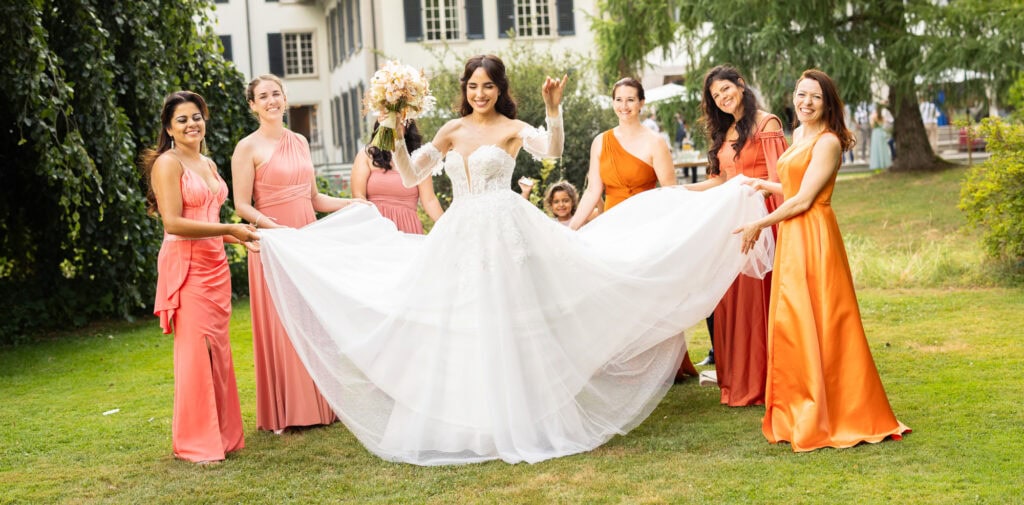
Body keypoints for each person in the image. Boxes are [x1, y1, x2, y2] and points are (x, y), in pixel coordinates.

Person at [254, 54, 774, 465]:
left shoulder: (509, 126)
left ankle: (524, 416)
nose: (480, 93)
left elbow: (549, 149)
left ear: (500, 89)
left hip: (505, 231)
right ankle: (463, 421)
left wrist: (553, 109)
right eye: (473, 86)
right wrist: (393, 125)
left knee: (510, 320)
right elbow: (413, 176)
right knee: (459, 323)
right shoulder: (451, 131)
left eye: (488, 85)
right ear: (465, 90)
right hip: (460, 233)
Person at [734, 69, 910, 452]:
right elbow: (795, 187)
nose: (806, 102)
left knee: (825, 320)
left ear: (827, 102)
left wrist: (759, 223)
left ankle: (839, 410)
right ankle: (800, 406)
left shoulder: (829, 141)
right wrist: (767, 186)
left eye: (815, 96)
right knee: (795, 321)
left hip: (814, 235)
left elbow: (804, 200)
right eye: (801, 95)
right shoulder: (798, 134)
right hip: (794, 236)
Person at [232, 74, 362, 433]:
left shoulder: (301, 141)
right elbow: (242, 204)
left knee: (311, 319)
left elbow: (314, 199)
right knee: (282, 323)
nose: (272, 100)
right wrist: (275, 230)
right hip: (273, 243)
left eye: (277, 93)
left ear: (285, 99)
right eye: (263, 96)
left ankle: (322, 405)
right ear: (253, 105)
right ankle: (289, 410)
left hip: (305, 238)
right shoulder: (247, 148)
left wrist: (353, 203)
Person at [143, 91, 258, 463]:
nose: (192, 124)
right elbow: (173, 223)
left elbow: (208, 220)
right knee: (196, 351)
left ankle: (222, 436)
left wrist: (242, 236)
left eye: (197, 117)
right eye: (182, 119)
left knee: (218, 352)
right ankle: (196, 441)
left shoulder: (207, 162)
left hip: (216, 265)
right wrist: (230, 228)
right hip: (187, 266)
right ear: (168, 128)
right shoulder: (168, 163)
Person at [568, 77, 699, 379]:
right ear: (612, 102)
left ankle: (666, 363)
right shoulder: (601, 141)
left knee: (650, 292)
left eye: (630, 100)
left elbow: (669, 191)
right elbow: (592, 191)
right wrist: (573, 227)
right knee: (614, 290)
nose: (624, 106)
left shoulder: (655, 142)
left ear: (641, 103)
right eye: (619, 99)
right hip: (613, 223)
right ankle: (624, 360)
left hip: (648, 222)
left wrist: (671, 232)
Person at [683, 65, 788, 407]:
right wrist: (680, 192)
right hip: (731, 224)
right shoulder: (724, 131)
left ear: (741, 85)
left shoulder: (767, 123)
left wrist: (767, 218)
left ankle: (765, 379)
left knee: (757, 302)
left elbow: (781, 178)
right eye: (716, 95)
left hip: (763, 223)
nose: (723, 97)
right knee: (732, 302)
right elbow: (719, 180)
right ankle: (738, 378)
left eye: (726, 89)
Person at [351, 120, 444, 233]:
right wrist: (372, 226)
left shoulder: (420, 158)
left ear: (407, 125)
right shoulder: (367, 154)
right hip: (374, 226)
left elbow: (429, 200)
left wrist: (449, 227)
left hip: (407, 229)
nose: (393, 125)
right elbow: (358, 196)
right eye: (390, 119)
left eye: (398, 121)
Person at [869, 104, 892, 170]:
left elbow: (872, 126)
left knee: (876, 148)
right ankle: (883, 164)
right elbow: (884, 124)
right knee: (883, 148)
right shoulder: (882, 116)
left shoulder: (873, 116)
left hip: (876, 133)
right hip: (881, 132)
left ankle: (877, 165)